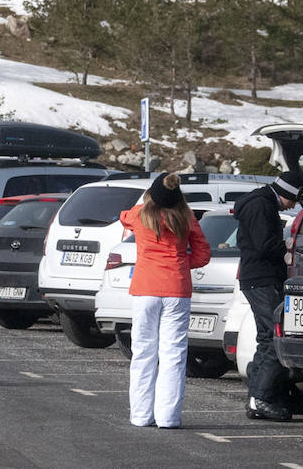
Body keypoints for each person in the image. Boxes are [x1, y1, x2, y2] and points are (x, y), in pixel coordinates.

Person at [119, 172, 210, 429]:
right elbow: (203, 255)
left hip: (145, 289)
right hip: (177, 290)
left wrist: (148, 197)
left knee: (143, 353)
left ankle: (140, 415)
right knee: (173, 355)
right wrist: (180, 264)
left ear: (153, 196)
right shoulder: (187, 216)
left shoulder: (138, 215)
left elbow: (123, 215)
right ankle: (168, 417)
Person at [234, 169, 303, 422]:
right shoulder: (261, 206)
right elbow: (265, 244)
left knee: (266, 338)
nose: (292, 206)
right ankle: (261, 398)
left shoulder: (259, 203)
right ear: (287, 193)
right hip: (262, 279)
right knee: (277, 340)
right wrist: (288, 248)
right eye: (294, 200)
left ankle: (258, 397)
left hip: (256, 279)